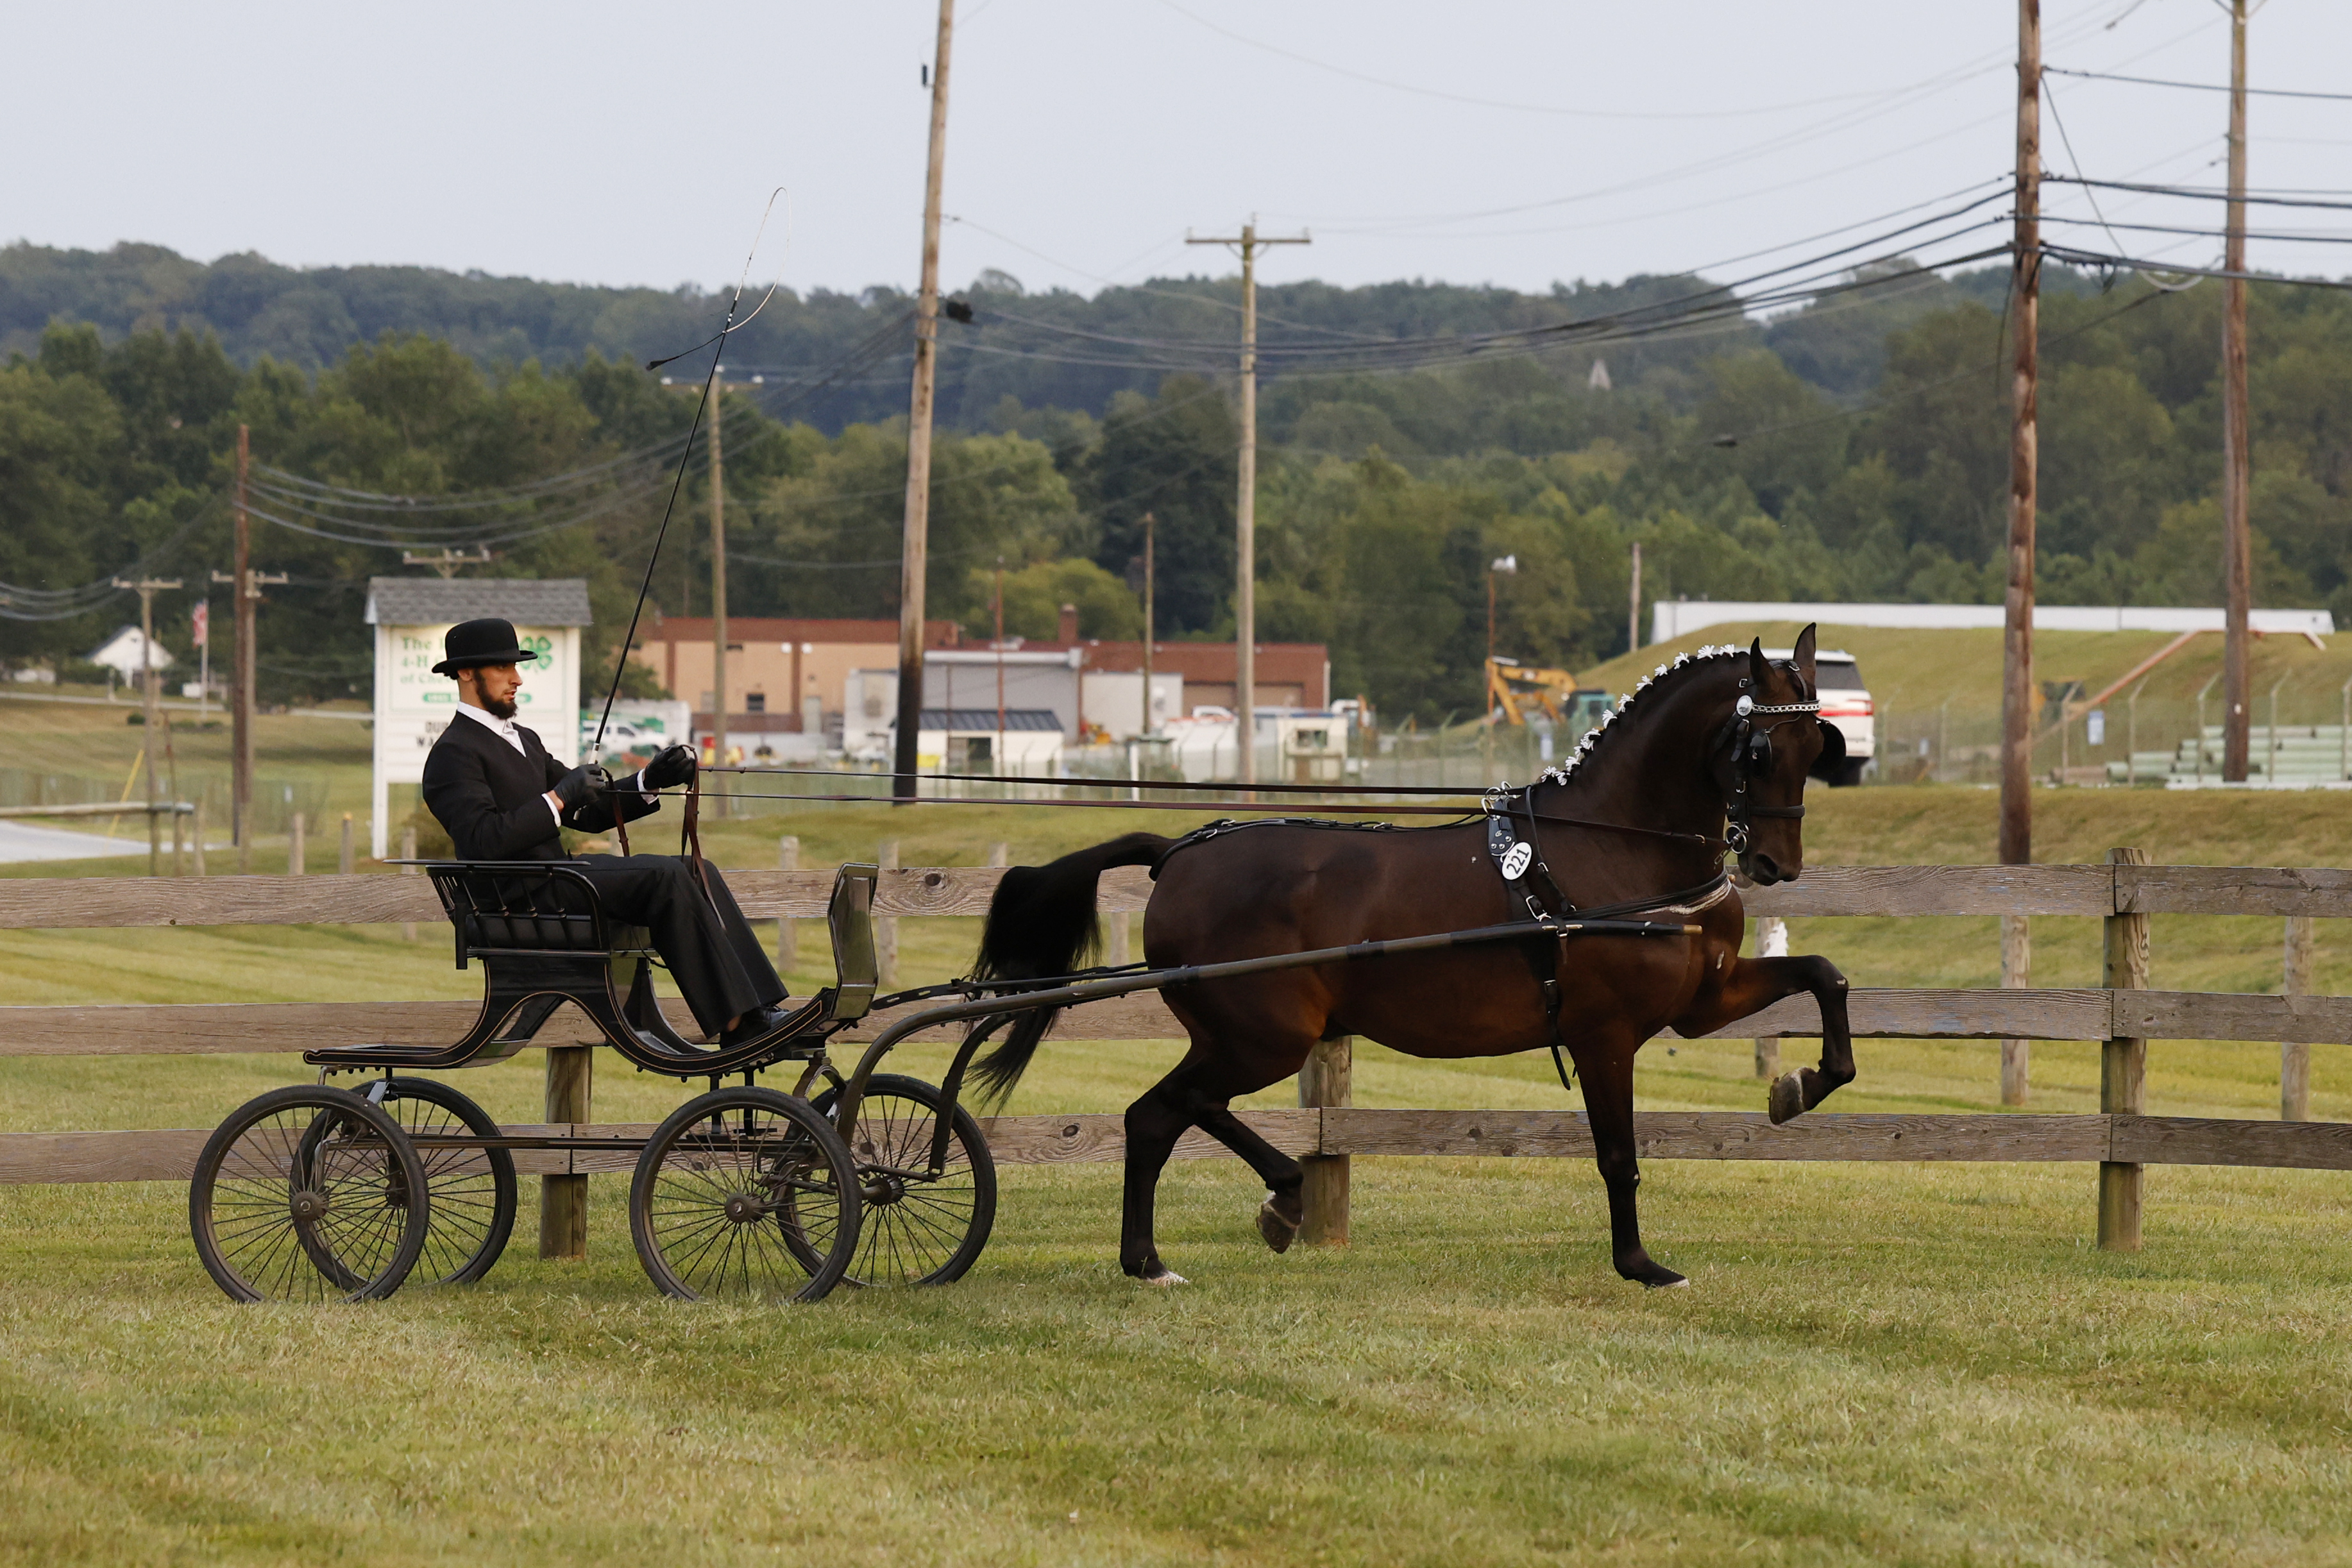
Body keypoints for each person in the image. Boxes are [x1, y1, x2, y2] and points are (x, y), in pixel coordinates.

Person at [419, 616, 799, 1048]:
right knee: (664, 876)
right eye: (503, 667)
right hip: (521, 898)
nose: (517, 679)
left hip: (559, 881)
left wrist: (650, 779)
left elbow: (588, 811)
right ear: (467, 673)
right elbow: (483, 840)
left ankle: (763, 1008)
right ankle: (736, 1023)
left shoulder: (524, 739)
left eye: (516, 667)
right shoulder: (453, 753)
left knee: (697, 869)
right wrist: (558, 798)